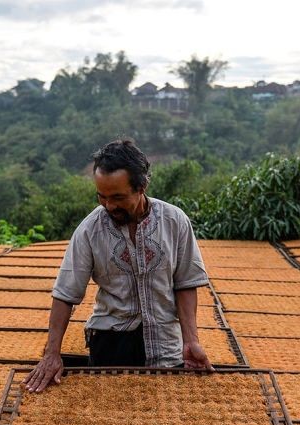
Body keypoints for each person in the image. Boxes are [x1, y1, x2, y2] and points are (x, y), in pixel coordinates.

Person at [24, 138, 213, 393]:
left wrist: (191, 340)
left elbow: (186, 283)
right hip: (112, 343)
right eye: (101, 196)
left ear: (141, 186)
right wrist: (52, 353)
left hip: (166, 342)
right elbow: (65, 294)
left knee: (167, 420)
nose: (109, 205)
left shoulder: (174, 221)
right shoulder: (90, 229)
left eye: (118, 197)